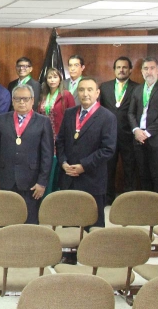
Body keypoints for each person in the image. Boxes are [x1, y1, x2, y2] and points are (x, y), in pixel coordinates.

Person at [56, 77, 116, 228]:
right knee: (69, 225)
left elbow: (108, 149)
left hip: (92, 179)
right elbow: (60, 141)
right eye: (81, 90)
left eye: (90, 90)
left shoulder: (107, 117)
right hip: (69, 178)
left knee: (93, 227)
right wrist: (63, 162)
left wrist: (84, 166)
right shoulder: (69, 113)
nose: (85, 93)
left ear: (97, 93)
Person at [0, 85, 53, 224]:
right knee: (7, 221)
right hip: (7, 179)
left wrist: (42, 182)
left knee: (29, 222)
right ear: (12, 101)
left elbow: (47, 155)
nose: (22, 102)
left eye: (25, 99)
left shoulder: (43, 121)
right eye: (18, 99)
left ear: (32, 100)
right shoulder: (2, 120)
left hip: (31, 182)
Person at [128, 57, 158, 198]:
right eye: (146, 68)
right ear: (142, 71)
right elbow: (130, 113)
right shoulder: (137, 89)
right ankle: (145, 205)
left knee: (156, 174)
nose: (149, 72)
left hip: (157, 139)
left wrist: (147, 133)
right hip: (138, 138)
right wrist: (136, 130)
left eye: (152, 68)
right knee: (142, 174)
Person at [99, 57, 139, 203]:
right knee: (108, 168)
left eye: (125, 67)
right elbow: (100, 111)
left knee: (130, 168)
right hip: (109, 135)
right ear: (114, 69)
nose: (121, 70)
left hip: (129, 135)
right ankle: (108, 197)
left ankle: (128, 199)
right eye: (118, 67)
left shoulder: (137, 88)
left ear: (130, 70)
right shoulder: (104, 87)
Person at [38, 67, 76, 193]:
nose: (52, 80)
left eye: (55, 77)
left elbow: (72, 116)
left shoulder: (66, 95)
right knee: (45, 163)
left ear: (60, 79)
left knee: (58, 164)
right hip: (44, 135)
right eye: (49, 77)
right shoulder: (44, 95)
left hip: (60, 135)